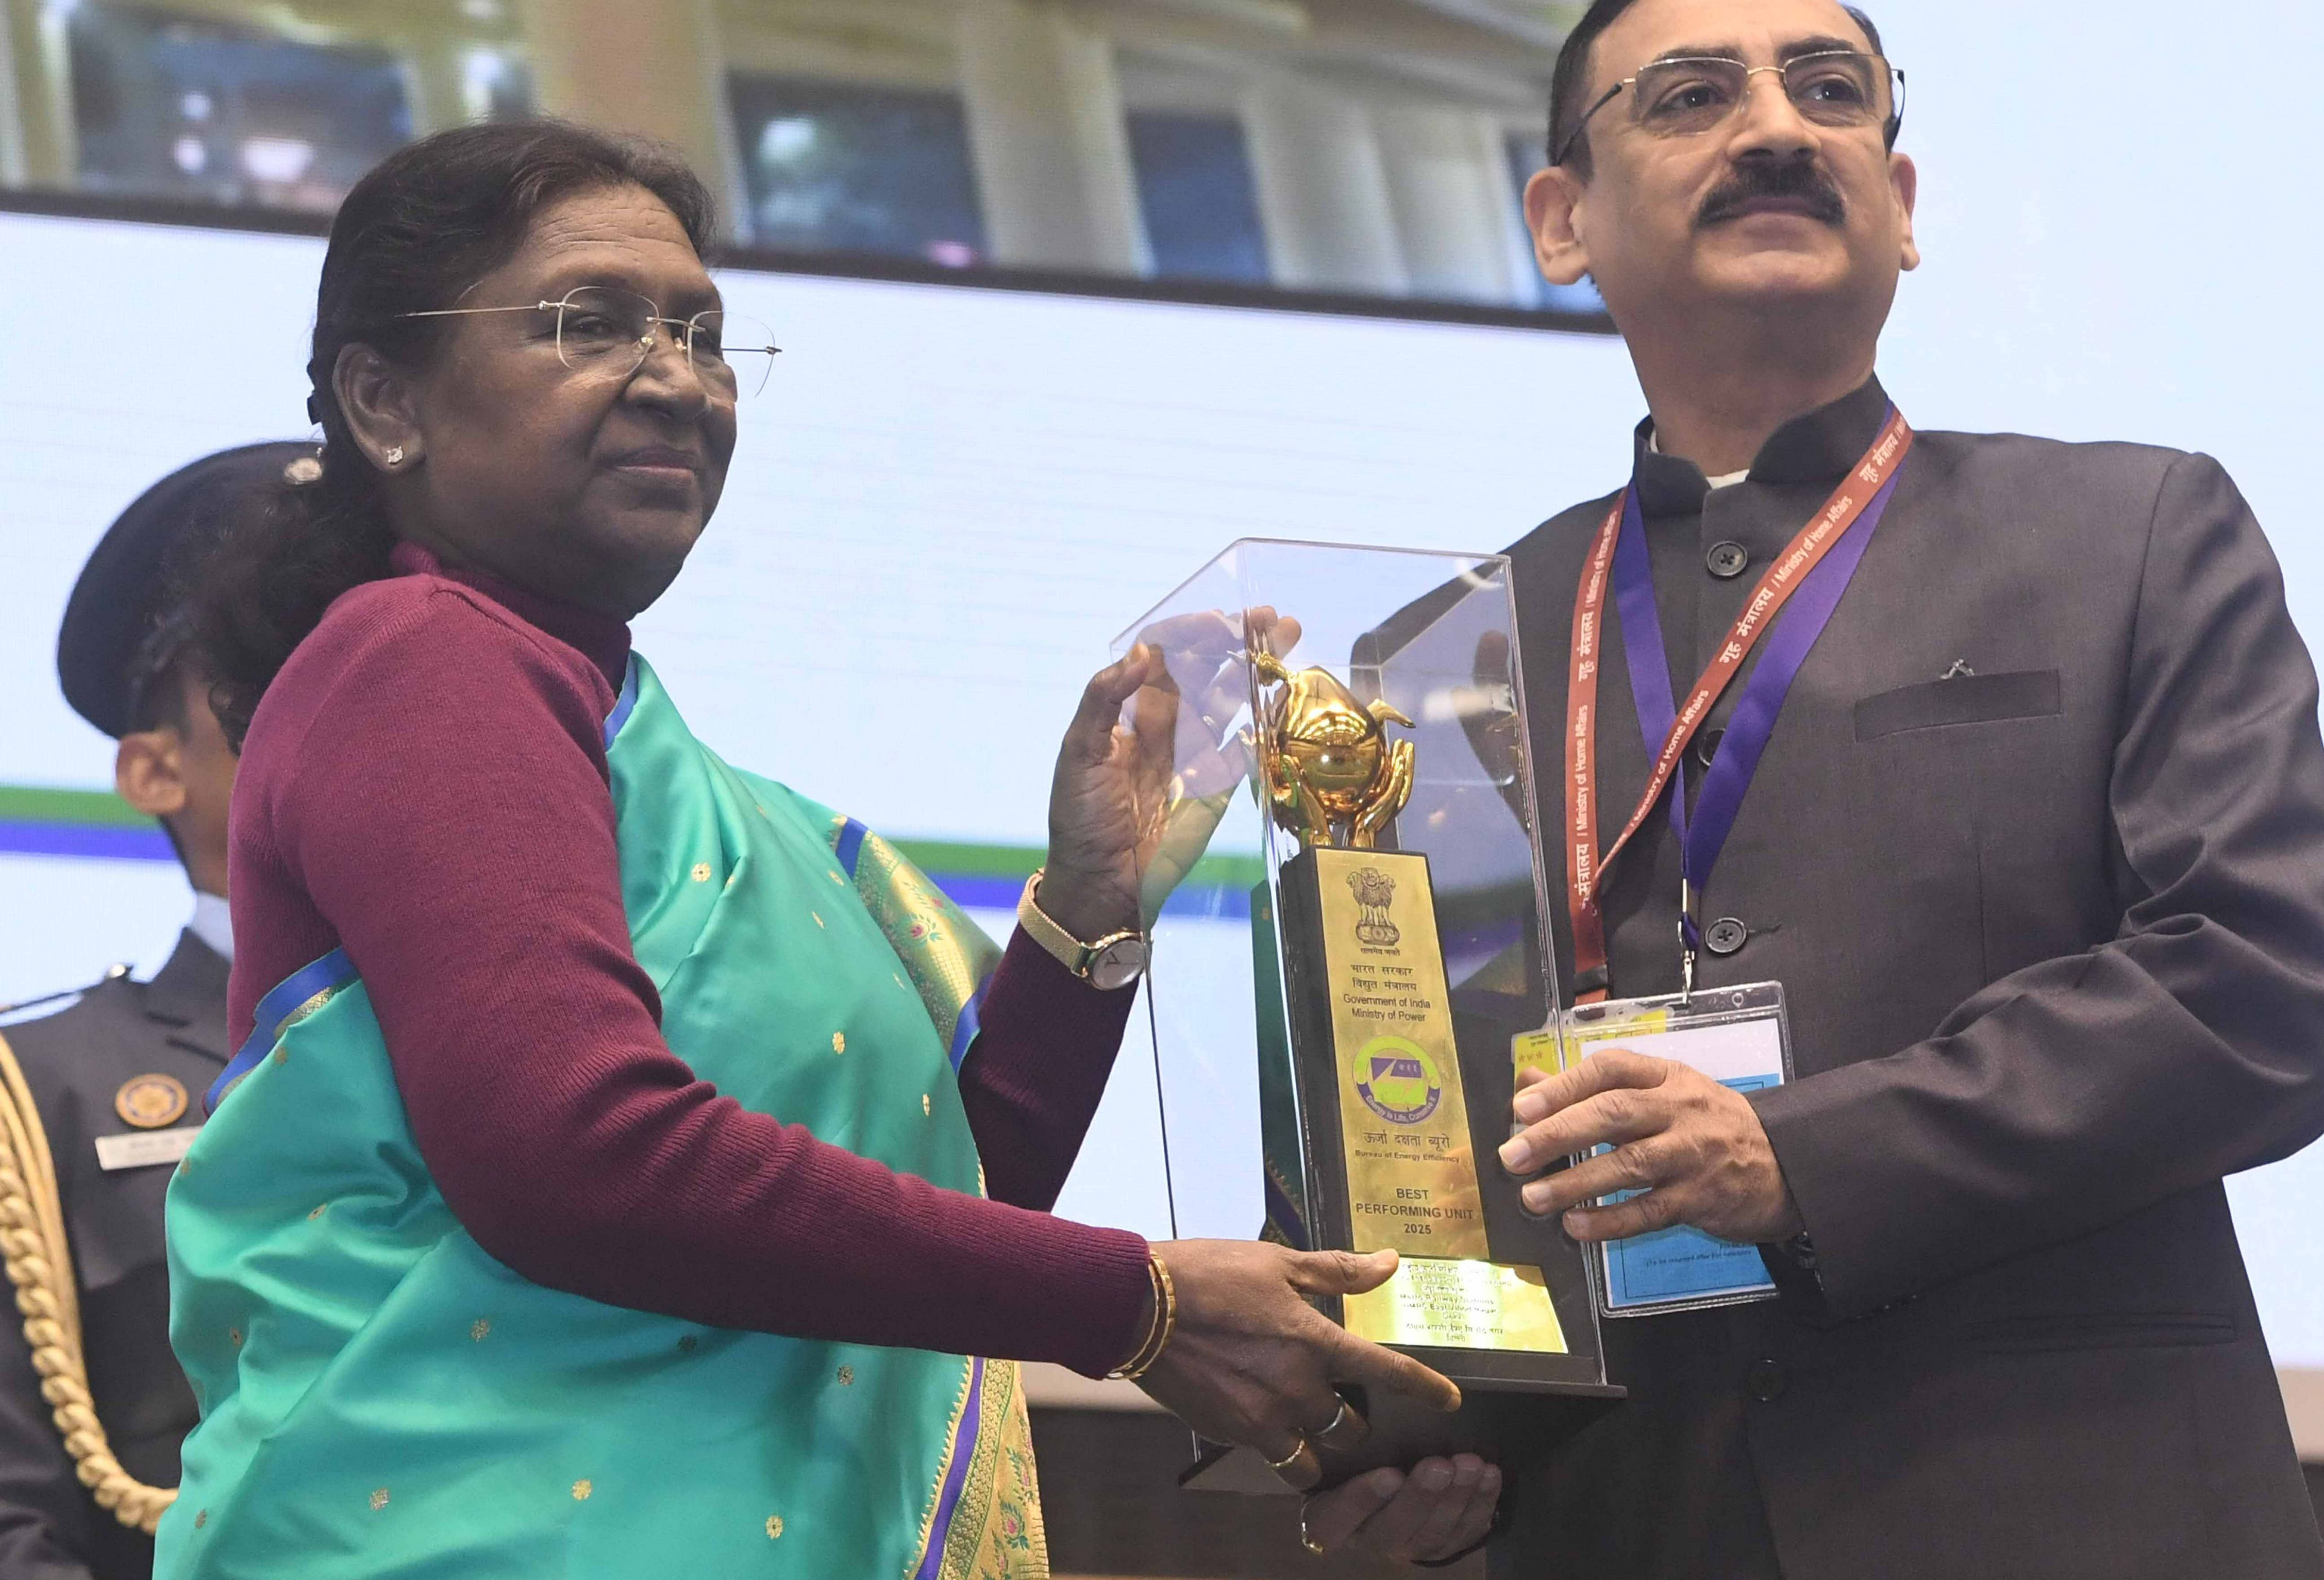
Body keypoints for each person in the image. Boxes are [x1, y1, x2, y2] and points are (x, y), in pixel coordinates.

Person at [157, 120, 1453, 1578]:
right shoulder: (423, 657)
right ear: (385, 400)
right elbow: (574, 1157)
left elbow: (948, 1199)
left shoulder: (702, 789)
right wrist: (1133, 1299)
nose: (676, 380)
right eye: (591, 323)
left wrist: (1092, 903)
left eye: (703, 335)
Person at [1301, 0, 2324, 1578]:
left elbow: (2257, 991)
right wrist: (1416, 1426)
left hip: (2068, 1512)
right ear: (1562, 223)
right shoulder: (1438, 659)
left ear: (1902, 201)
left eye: (1830, 90)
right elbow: (1413, 1137)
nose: (1780, 130)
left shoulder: (2131, 532)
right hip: (1628, 1525)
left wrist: (1795, 1158)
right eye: (1691, 97)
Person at [0, 442, 307, 1579]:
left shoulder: (538, 1034)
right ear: (154, 771)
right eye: (267, 682)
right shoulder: (41, 1091)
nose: (338, 710)